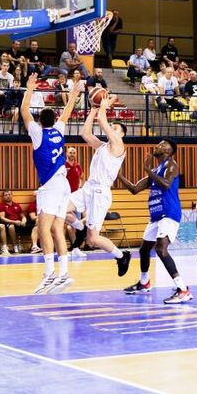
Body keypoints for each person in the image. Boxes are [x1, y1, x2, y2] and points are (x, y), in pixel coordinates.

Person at [20, 74, 79, 294]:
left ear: (40, 121)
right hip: (64, 185)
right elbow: (67, 112)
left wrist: (29, 89)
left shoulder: (37, 132)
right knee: (57, 228)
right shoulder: (59, 130)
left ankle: (48, 274)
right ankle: (63, 274)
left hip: (51, 186)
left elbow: (24, 111)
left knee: (43, 227)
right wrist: (72, 95)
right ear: (53, 120)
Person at [117, 139, 192, 304]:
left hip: (169, 213)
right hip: (156, 216)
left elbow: (166, 184)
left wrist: (147, 170)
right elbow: (135, 189)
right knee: (144, 250)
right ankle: (144, 282)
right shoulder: (157, 170)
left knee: (161, 249)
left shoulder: (172, 165)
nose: (157, 146)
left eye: (162, 145)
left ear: (169, 151)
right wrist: (119, 175)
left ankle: (183, 289)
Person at [69, 94, 132, 276]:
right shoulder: (102, 146)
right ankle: (80, 228)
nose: (112, 129)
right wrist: (94, 111)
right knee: (60, 208)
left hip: (100, 192)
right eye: (112, 127)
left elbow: (103, 123)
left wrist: (103, 107)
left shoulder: (119, 145)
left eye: (115, 128)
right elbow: (85, 134)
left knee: (93, 239)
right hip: (88, 187)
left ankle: (121, 256)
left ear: (121, 134)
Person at [0, 190, 28, 255]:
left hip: (19, 223)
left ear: (12, 195)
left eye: (9, 194)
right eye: (6, 195)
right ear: (3, 197)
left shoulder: (17, 205)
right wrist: (14, 222)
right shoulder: (1, 206)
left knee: (35, 227)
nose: (8, 196)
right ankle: (14, 246)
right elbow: (2, 218)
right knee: (11, 227)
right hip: (9, 223)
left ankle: (34, 246)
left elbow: (22, 216)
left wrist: (24, 221)